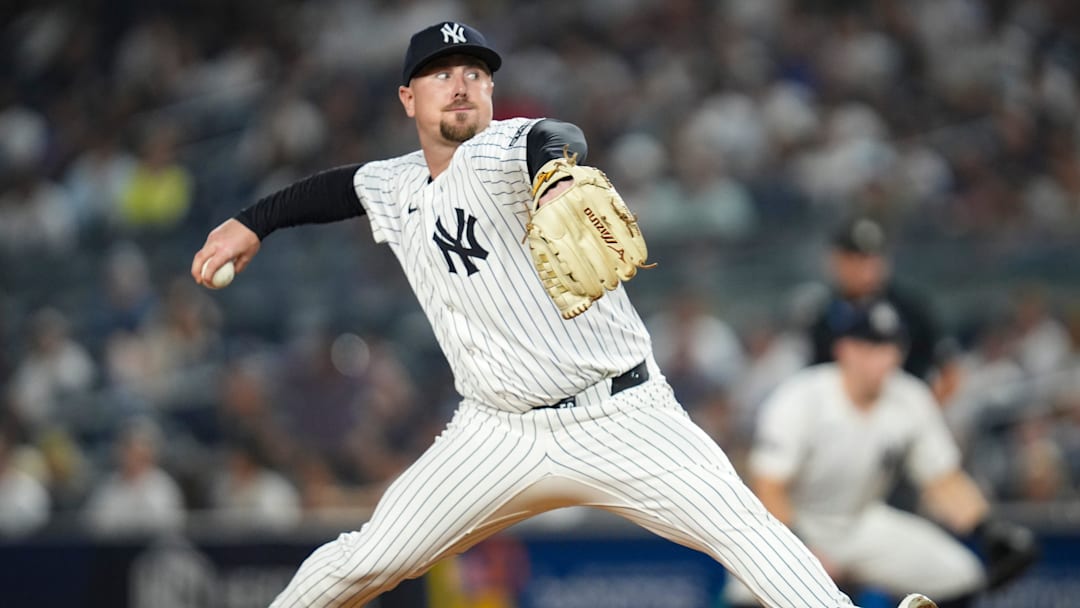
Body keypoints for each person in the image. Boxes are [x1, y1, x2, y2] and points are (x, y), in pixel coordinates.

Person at [191, 21, 940, 608]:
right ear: (407, 99)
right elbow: (333, 189)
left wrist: (553, 176)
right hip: (497, 430)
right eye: (442, 76)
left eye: (476, 76)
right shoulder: (393, 184)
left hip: (623, 415)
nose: (462, 86)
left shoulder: (502, 149)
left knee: (742, 529)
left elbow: (555, 136)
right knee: (369, 558)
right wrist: (253, 222)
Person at [724, 300, 1039, 608]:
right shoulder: (802, 397)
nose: (882, 357)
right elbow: (768, 487)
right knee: (750, 592)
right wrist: (802, 550)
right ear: (844, 349)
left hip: (861, 521)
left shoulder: (910, 397)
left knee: (959, 574)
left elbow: (943, 479)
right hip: (794, 526)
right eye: (870, 345)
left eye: (890, 346)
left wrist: (988, 529)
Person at [804, 216, 961, 403]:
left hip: (901, 419)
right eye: (856, 258)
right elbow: (813, 381)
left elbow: (950, 372)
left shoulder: (911, 310)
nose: (866, 267)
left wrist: (924, 411)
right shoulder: (822, 317)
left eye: (872, 257)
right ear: (837, 260)